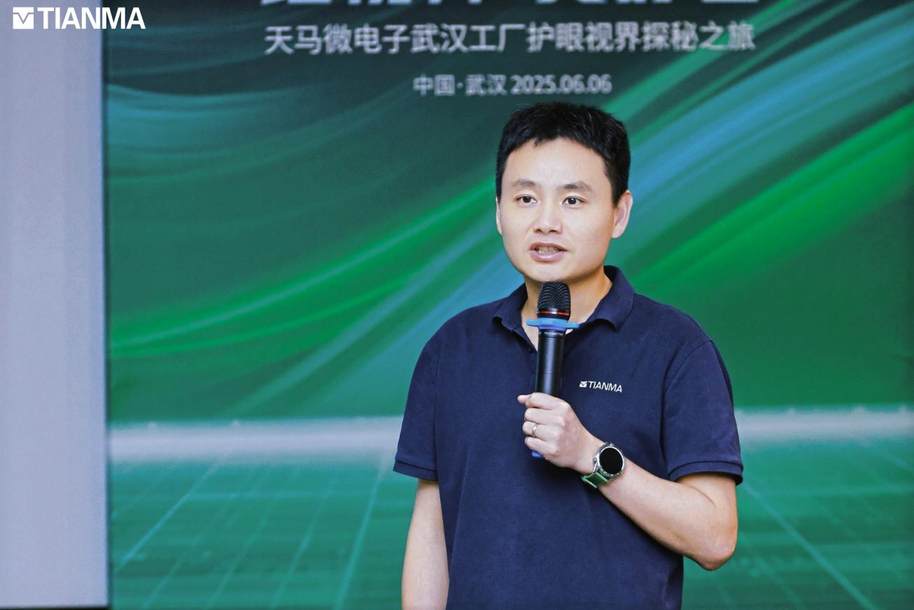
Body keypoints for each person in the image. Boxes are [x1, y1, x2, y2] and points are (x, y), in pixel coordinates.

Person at [393, 101, 742, 610]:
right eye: (525, 198)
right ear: (498, 211)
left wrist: (591, 456)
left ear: (619, 213)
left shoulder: (676, 347)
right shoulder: (454, 347)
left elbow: (715, 538)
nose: (546, 222)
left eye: (573, 200)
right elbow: (432, 524)